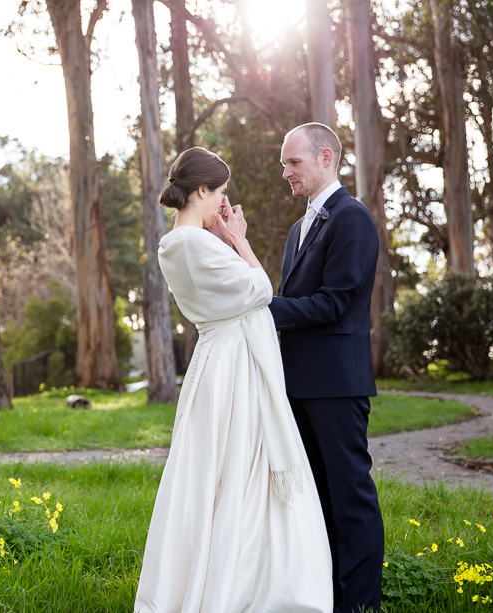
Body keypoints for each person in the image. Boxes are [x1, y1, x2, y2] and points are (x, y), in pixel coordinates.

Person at [134, 147, 332, 613]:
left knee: (217, 470)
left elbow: (233, 296)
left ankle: (222, 571)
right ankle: (244, 584)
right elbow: (261, 290)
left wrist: (222, 238)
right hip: (233, 365)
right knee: (240, 465)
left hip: (216, 359)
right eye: (219, 192)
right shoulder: (196, 243)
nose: (222, 202)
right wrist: (238, 238)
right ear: (201, 190)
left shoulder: (174, 244)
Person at [267, 123, 385, 613]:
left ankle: (361, 605)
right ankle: (329, 599)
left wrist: (263, 307)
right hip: (299, 385)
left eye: (294, 163)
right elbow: (297, 298)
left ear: (326, 158)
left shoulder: (351, 218)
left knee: (349, 499)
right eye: (284, 165)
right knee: (315, 501)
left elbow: (336, 302)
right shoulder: (299, 229)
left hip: (336, 384)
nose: (287, 173)